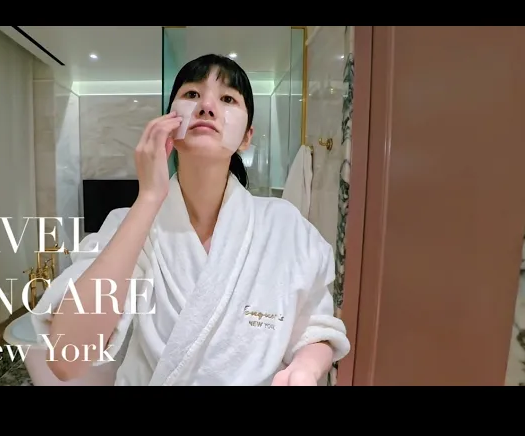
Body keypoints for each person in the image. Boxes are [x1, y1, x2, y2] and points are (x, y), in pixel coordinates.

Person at [32, 54, 350, 386]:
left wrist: (305, 368)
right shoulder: (130, 225)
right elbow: (66, 358)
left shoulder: (284, 225)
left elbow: (315, 329)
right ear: (170, 121)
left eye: (228, 99)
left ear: (246, 137)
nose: (207, 106)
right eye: (192, 94)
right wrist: (148, 198)